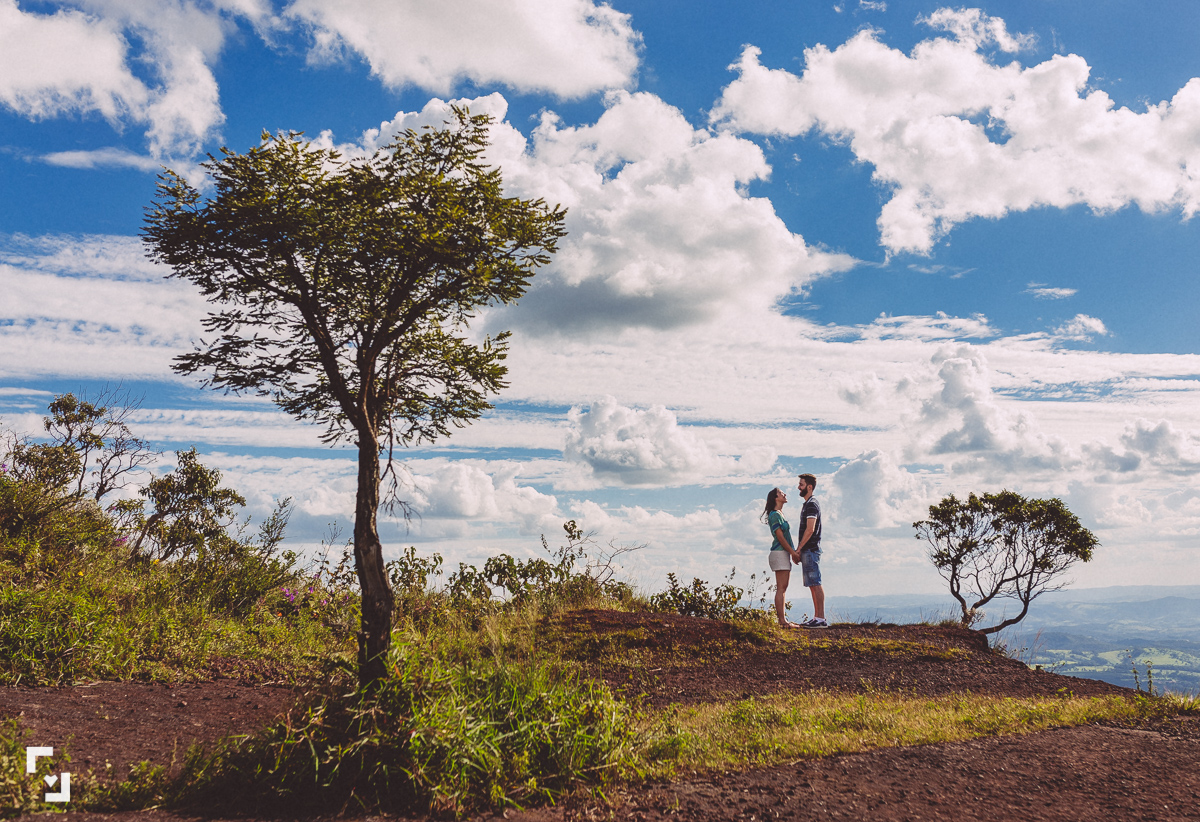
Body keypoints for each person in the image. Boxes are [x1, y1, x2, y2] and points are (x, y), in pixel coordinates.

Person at [761, 486, 802, 628]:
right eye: (780, 493)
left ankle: (783, 620)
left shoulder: (779, 514)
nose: (784, 494)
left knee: (783, 587)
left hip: (782, 553)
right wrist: (793, 553)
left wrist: (792, 552)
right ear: (775, 498)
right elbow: (780, 537)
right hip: (779, 553)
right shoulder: (774, 515)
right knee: (781, 588)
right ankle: (782, 621)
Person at [795, 473, 827, 628]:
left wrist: (799, 548)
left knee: (816, 583)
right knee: (813, 585)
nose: (798, 487)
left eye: (801, 485)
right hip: (809, 550)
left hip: (811, 549)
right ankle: (817, 617)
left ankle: (821, 618)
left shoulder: (812, 504)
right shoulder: (808, 504)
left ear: (809, 487)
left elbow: (810, 529)